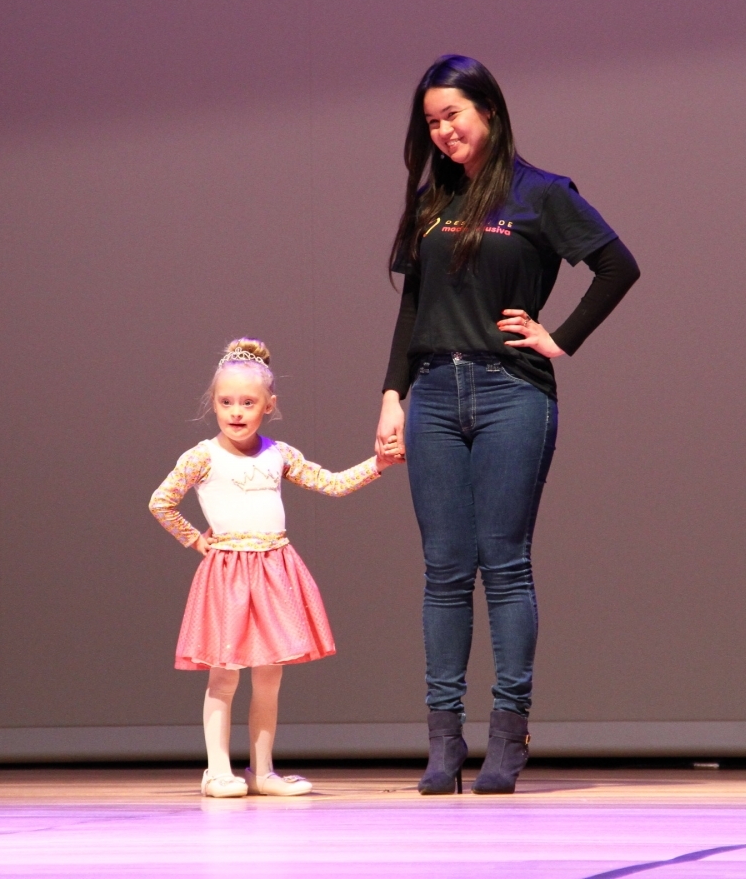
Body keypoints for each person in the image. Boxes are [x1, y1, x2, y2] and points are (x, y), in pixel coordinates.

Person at [376, 55, 640, 795]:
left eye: (452, 115)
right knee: (444, 570)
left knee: (505, 563)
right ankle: (441, 742)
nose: (442, 131)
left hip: (509, 391)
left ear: (488, 110)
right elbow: (412, 306)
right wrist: (392, 394)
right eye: (431, 122)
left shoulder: (541, 194)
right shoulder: (432, 199)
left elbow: (618, 266)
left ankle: (508, 734)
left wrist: (562, 335)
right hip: (431, 390)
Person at [151, 338, 402, 798]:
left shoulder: (279, 454)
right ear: (214, 404)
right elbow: (161, 501)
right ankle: (217, 770)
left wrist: (379, 464)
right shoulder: (202, 456)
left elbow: (332, 484)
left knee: (269, 676)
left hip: (273, 570)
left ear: (270, 405)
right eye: (226, 402)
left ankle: (261, 771)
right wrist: (196, 539)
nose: (236, 411)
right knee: (224, 673)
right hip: (228, 574)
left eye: (248, 402)